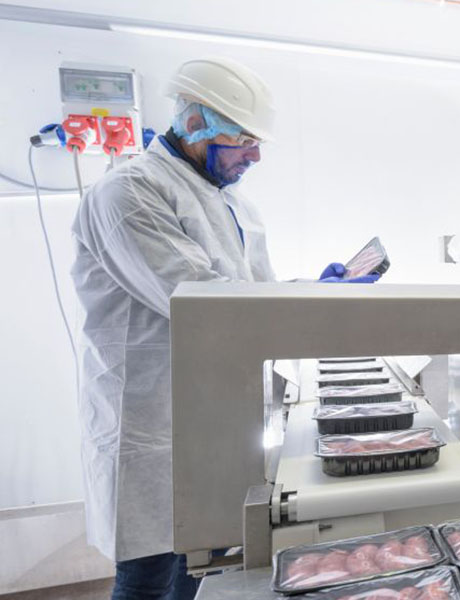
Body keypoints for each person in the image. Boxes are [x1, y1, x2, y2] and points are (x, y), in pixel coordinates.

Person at [71, 57, 377, 600]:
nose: (254, 156)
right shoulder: (130, 193)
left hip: (209, 417)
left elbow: (248, 291)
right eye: (242, 140)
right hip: (149, 421)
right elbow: (204, 303)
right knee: (146, 578)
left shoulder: (229, 201)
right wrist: (312, 303)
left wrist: (313, 286)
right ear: (194, 125)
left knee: (194, 567)